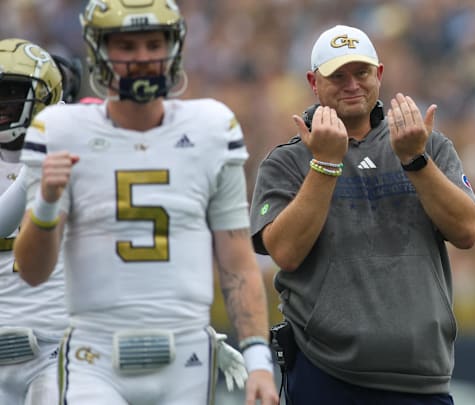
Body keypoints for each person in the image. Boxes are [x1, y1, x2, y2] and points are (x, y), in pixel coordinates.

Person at [13, 1, 278, 404]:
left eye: (153, 44)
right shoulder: (62, 130)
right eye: (127, 46)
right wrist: (47, 205)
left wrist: (258, 358)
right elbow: (32, 272)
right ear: (100, 51)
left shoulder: (210, 127)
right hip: (94, 354)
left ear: (174, 47)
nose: (142, 58)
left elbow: (237, 259)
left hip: (185, 351)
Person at [251, 24, 475, 404]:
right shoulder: (288, 161)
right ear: (314, 82)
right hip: (326, 373)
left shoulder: (425, 143)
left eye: (360, 73)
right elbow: (285, 252)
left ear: (379, 74)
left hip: (421, 377)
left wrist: (415, 159)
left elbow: (468, 230)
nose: (351, 84)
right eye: (337, 76)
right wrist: (325, 163)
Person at [0, 37, 71, 405]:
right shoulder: (49, 160)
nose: (2, 105)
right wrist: (34, 171)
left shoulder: (76, 155)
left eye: (11, 93)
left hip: (54, 348)